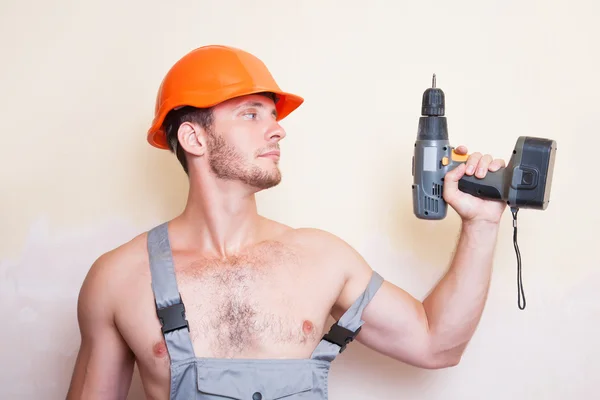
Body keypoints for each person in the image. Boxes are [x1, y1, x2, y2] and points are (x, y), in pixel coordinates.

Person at [66, 45, 506, 400]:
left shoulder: (321, 257)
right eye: (251, 113)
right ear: (193, 137)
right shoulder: (118, 278)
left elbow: (437, 345)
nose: (277, 131)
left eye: (273, 116)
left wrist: (481, 226)